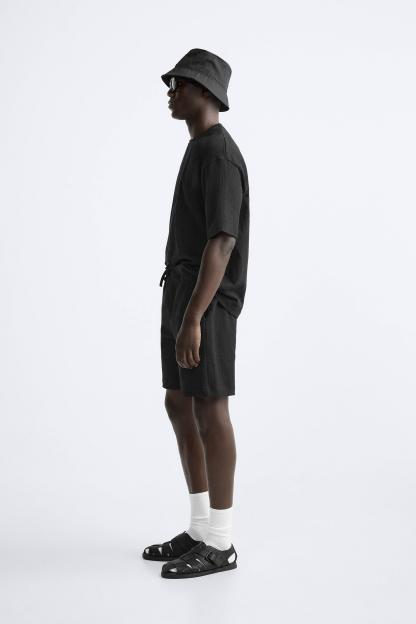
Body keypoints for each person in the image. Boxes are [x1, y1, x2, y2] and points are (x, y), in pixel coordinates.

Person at [142, 48, 250, 579]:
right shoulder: (198, 148)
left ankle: (222, 543)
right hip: (182, 294)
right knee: (178, 402)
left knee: (210, 410)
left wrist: (192, 319)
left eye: (179, 84)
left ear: (206, 92)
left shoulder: (220, 154)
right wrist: (179, 309)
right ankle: (201, 526)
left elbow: (222, 242)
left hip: (208, 305)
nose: (171, 92)